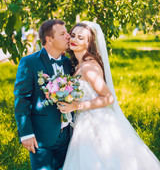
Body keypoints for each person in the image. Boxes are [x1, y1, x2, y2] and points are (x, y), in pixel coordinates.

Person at [58, 21, 160, 170]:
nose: (74, 40)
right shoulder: (79, 65)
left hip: (95, 122)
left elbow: (108, 97)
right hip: (84, 121)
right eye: (73, 35)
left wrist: (77, 105)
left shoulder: (88, 67)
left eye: (81, 38)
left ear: (89, 43)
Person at [14, 19, 73, 170]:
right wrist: (26, 134)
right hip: (41, 138)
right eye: (62, 34)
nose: (68, 36)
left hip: (68, 136)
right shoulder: (29, 62)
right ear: (49, 40)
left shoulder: (69, 63)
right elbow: (22, 99)